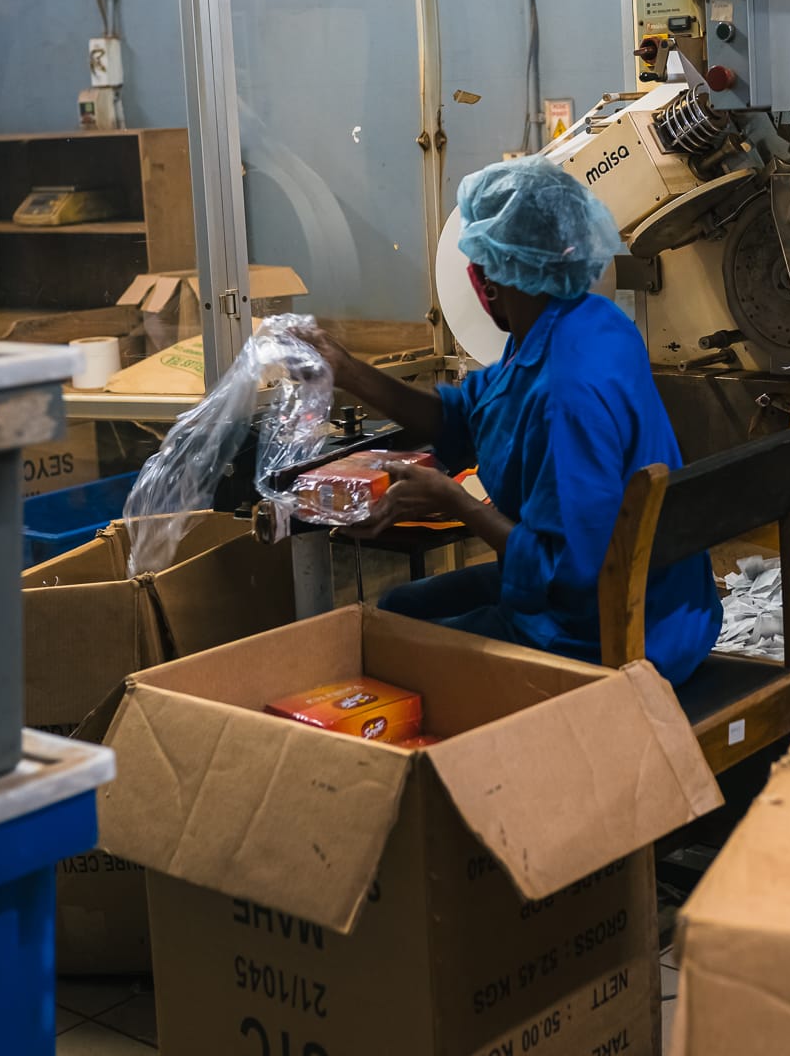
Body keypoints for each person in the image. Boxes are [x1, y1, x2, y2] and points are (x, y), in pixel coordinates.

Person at [300, 155, 722, 685]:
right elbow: (464, 414)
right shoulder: (584, 323)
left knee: (392, 637)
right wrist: (350, 372)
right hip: (662, 601)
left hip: (609, 630)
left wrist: (452, 500)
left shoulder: (567, 391)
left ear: (489, 278)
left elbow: (570, 571)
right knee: (401, 603)